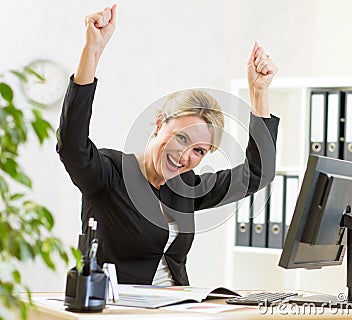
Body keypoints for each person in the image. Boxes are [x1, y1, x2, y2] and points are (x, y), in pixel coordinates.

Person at [57, 4, 279, 286]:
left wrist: (259, 93)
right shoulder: (109, 174)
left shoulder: (185, 187)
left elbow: (257, 175)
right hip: (120, 309)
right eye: (181, 138)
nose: (184, 156)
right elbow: (72, 146)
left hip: (178, 306)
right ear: (160, 122)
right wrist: (93, 50)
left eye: (199, 150)